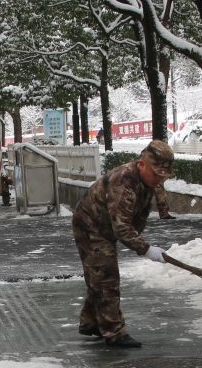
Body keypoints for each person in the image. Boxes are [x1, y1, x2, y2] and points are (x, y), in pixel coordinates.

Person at [71, 139, 175, 348]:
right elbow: (122, 227)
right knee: (106, 278)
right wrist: (146, 249)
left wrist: (163, 212)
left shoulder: (150, 179)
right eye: (156, 174)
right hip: (92, 226)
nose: (159, 179)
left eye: (163, 175)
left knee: (99, 275)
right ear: (142, 164)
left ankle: (91, 322)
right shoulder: (124, 182)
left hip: (106, 226)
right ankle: (114, 332)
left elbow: (155, 199)